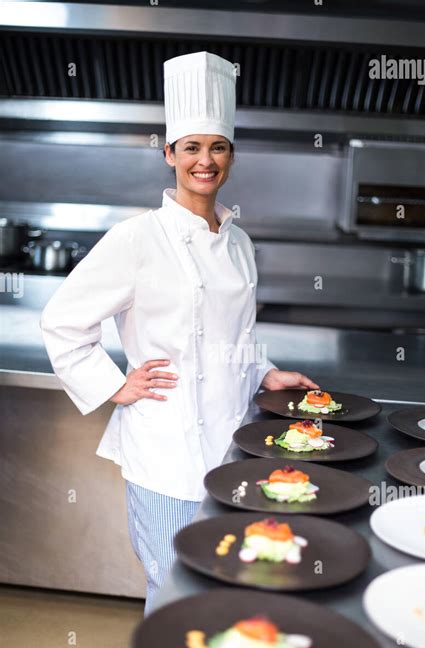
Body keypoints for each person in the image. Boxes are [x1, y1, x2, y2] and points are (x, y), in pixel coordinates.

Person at [40, 51, 319, 616]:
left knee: (224, 586)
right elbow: (62, 319)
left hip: (233, 445)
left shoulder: (239, 242)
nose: (204, 160)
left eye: (217, 147)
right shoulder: (137, 237)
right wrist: (115, 385)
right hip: (166, 453)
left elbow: (230, 333)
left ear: (231, 157)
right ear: (169, 155)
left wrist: (265, 372)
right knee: (173, 592)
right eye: (191, 147)